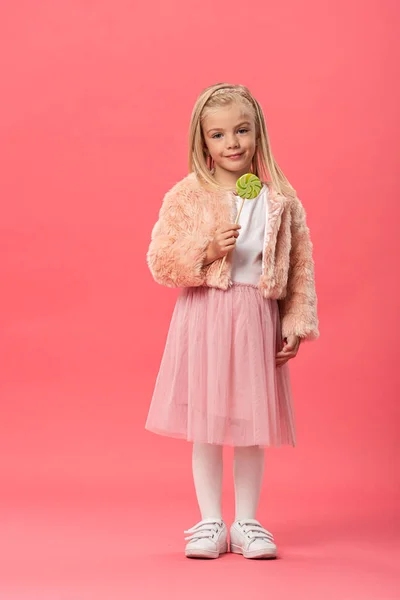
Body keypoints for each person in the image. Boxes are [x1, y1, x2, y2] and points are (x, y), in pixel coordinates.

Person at [145, 83, 319, 560]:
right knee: (206, 422)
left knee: (250, 423)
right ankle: (209, 522)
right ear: (204, 143)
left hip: (254, 317)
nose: (233, 143)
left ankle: (247, 522)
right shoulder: (188, 195)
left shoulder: (279, 198)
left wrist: (295, 320)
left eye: (242, 131)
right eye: (219, 135)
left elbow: (299, 264)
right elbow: (160, 260)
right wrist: (206, 251)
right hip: (205, 318)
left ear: (258, 133)